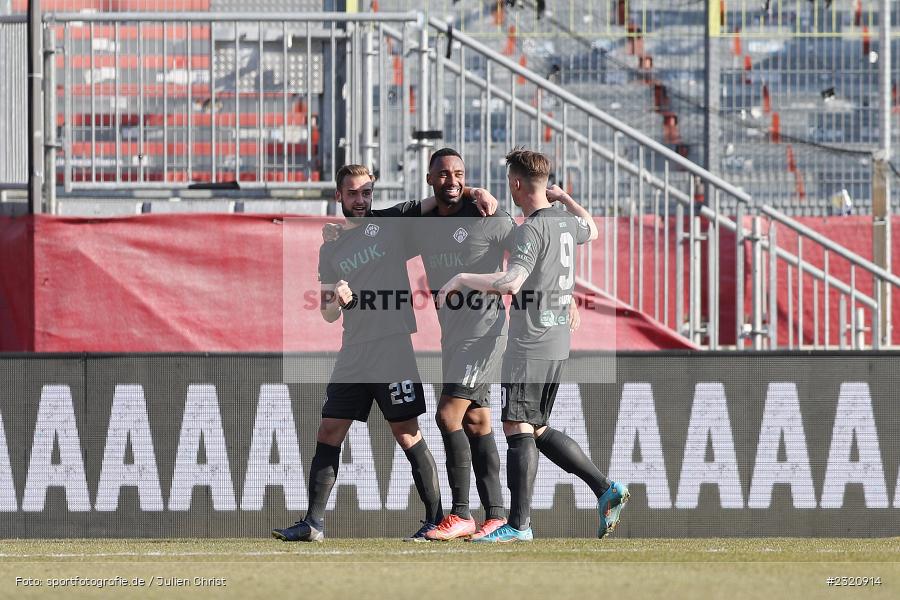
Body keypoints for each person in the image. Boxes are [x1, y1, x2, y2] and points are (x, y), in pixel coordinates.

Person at [271, 164, 496, 543]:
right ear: (338, 197)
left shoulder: (390, 222)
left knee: (407, 434)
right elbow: (327, 313)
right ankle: (312, 523)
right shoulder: (331, 248)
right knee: (328, 431)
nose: (361, 200)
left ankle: (434, 519)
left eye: (366, 193)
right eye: (353, 193)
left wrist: (476, 192)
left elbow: (443, 194)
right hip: (354, 352)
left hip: (393, 347)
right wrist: (336, 299)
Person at [437, 148, 629, 543]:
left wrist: (461, 278)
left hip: (530, 341)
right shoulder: (563, 222)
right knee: (536, 427)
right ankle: (604, 488)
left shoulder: (531, 229)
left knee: (515, 425)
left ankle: (519, 525)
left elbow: (511, 282)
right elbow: (591, 228)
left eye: (510, 180)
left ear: (517, 183)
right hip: (557, 340)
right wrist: (566, 200)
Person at [410, 148, 515, 541]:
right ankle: (497, 517)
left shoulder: (488, 216)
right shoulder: (423, 223)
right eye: (443, 174)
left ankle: (460, 515)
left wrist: (561, 295)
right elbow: (384, 228)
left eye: (459, 174)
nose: (451, 180)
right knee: (476, 420)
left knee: (447, 417)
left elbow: (530, 252)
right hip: (453, 336)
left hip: (484, 334)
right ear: (430, 179)